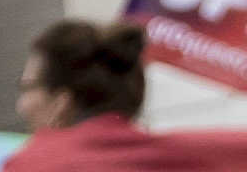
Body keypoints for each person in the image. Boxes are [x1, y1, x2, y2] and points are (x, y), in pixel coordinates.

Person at [14, 16, 148, 135]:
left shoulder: (31, 161)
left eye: (27, 87)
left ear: (61, 102)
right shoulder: (166, 155)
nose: (21, 107)